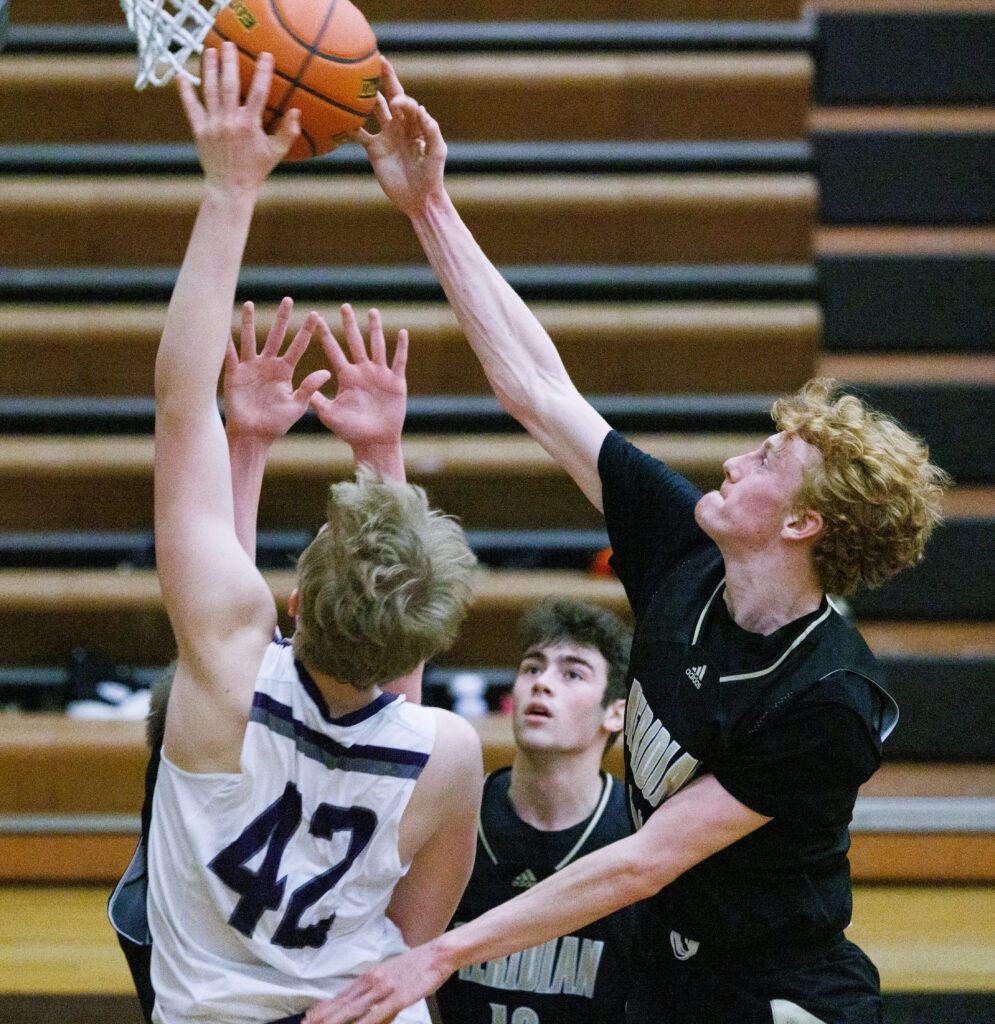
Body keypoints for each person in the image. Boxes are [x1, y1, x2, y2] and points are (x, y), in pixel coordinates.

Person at [303, 69, 952, 1024]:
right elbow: (536, 386)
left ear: (804, 523)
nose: (731, 462)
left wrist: (437, 955)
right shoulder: (684, 549)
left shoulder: (829, 699)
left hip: (780, 987)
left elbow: (647, 858)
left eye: (765, 459)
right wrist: (427, 204)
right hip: (668, 967)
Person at [141, 43, 483, 1024]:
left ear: (294, 597)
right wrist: (383, 447)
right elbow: (412, 945)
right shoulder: (448, 752)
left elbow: (178, 407)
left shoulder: (224, 666)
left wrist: (229, 188)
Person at [434, 598, 636, 1024]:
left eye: (572, 673)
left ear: (616, 713)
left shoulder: (638, 833)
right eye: (532, 668)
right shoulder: (457, 811)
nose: (543, 683)